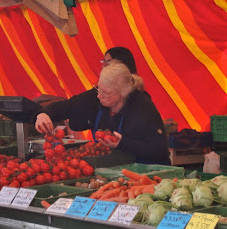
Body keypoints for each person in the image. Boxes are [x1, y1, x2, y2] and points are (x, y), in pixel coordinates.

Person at [35, 61, 170, 165]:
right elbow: (67, 106)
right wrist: (44, 114)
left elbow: (159, 150)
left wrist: (123, 143)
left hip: (146, 172)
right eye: (99, 89)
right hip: (112, 169)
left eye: (106, 93)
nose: (99, 96)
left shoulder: (142, 108)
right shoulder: (96, 96)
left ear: (122, 93)